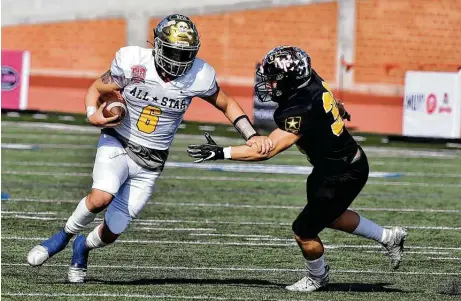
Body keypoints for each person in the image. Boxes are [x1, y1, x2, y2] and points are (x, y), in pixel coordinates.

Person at [27, 14, 272, 283]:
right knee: (101, 197)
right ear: (157, 45)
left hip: (152, 161)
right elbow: (96, 88)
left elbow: (226, 104)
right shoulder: (134, 62)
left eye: (184, 54)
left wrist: (250, 134)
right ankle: (62, 237)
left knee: (113, 230)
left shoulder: (200, 75)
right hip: (119, 141)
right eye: (172, 52)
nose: (178, 60)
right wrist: (91, 113)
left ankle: (82, 247)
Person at [187, 45, 408, 292]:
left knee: (303, 232)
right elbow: (331, 99)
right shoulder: (309, 80)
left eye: (273, 80)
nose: (268, 85)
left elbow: (267, 150)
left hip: (344, 173)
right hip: (332, 168)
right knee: (330, 217)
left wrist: (222, 152)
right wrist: (339, 109)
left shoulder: (300, 107)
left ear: (291, 80)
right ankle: (389, 237)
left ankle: (317, 277)